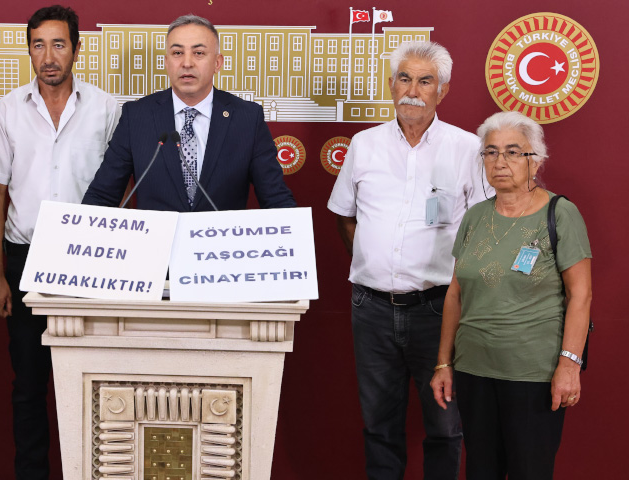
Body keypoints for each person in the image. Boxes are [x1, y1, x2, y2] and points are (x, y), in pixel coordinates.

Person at [327, 41, 489, 479]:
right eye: (404, 79)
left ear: (443, 90)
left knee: (445, 426)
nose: (412, 91)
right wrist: (376, 265)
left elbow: (484, 227)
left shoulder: (467, 148)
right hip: (371, 308)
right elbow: (345, 217)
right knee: (378, 424)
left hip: (438, 309)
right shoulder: (364, 144)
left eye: (425, 81)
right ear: (391, 84)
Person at [0, 5, 120, 478]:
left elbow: (123, 190)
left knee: (94, 383)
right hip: (24, 261)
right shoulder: (8, 110)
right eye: (38, 45)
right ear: (29, 51)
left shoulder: (106, 109)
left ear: (77, 49)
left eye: (59, 44)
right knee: (29, 385)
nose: (49, 56)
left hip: (91, 262)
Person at [430, 111, 592, 480]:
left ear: (536, 160)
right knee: (481, 470)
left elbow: (581, 296)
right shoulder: (475, 217)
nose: (500, 162)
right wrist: (443, 363)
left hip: (533, 374)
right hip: (473, 370)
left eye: (513, 152)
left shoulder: (560, 214)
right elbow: (455, 293)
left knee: (529, 471)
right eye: (490, 152)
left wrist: (569, 366)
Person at [82, 14, 295, 211]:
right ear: (167, 63)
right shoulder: (137, 116)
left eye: (198, 53)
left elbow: (276, 198)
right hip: (159, 240)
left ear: (217, 63)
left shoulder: (247, 118)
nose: (186, 63)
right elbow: (102, 195)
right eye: (177, 53)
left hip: (219, 239)